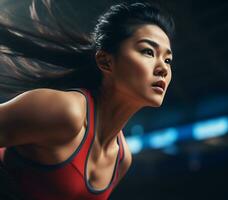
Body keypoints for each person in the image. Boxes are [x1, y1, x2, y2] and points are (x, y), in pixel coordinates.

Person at [0, 1, 175, 200]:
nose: (163, 68)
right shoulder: (65, 112)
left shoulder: (122, 159)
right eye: (148, 52)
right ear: (106, 61)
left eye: (167, 60)